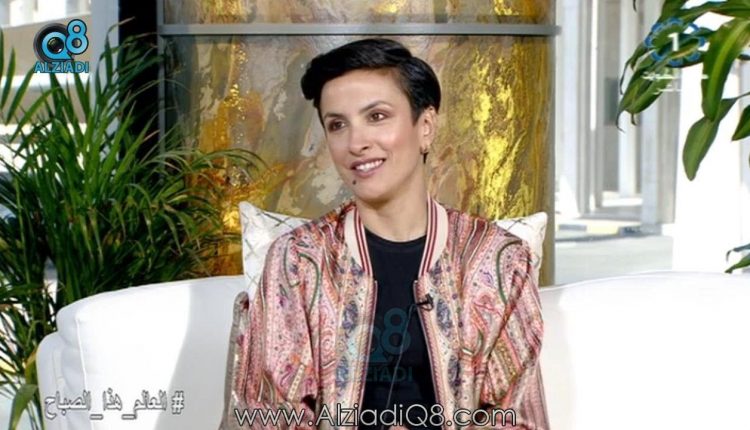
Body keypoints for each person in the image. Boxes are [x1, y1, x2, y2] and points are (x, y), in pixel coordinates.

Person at [228, 38, 549, 429]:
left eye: (377, 116)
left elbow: (517, 417)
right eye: (337, 125)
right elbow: (268, 416)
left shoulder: (498, 260)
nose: (356, 143)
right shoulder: (300, 260)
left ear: (425, 126)